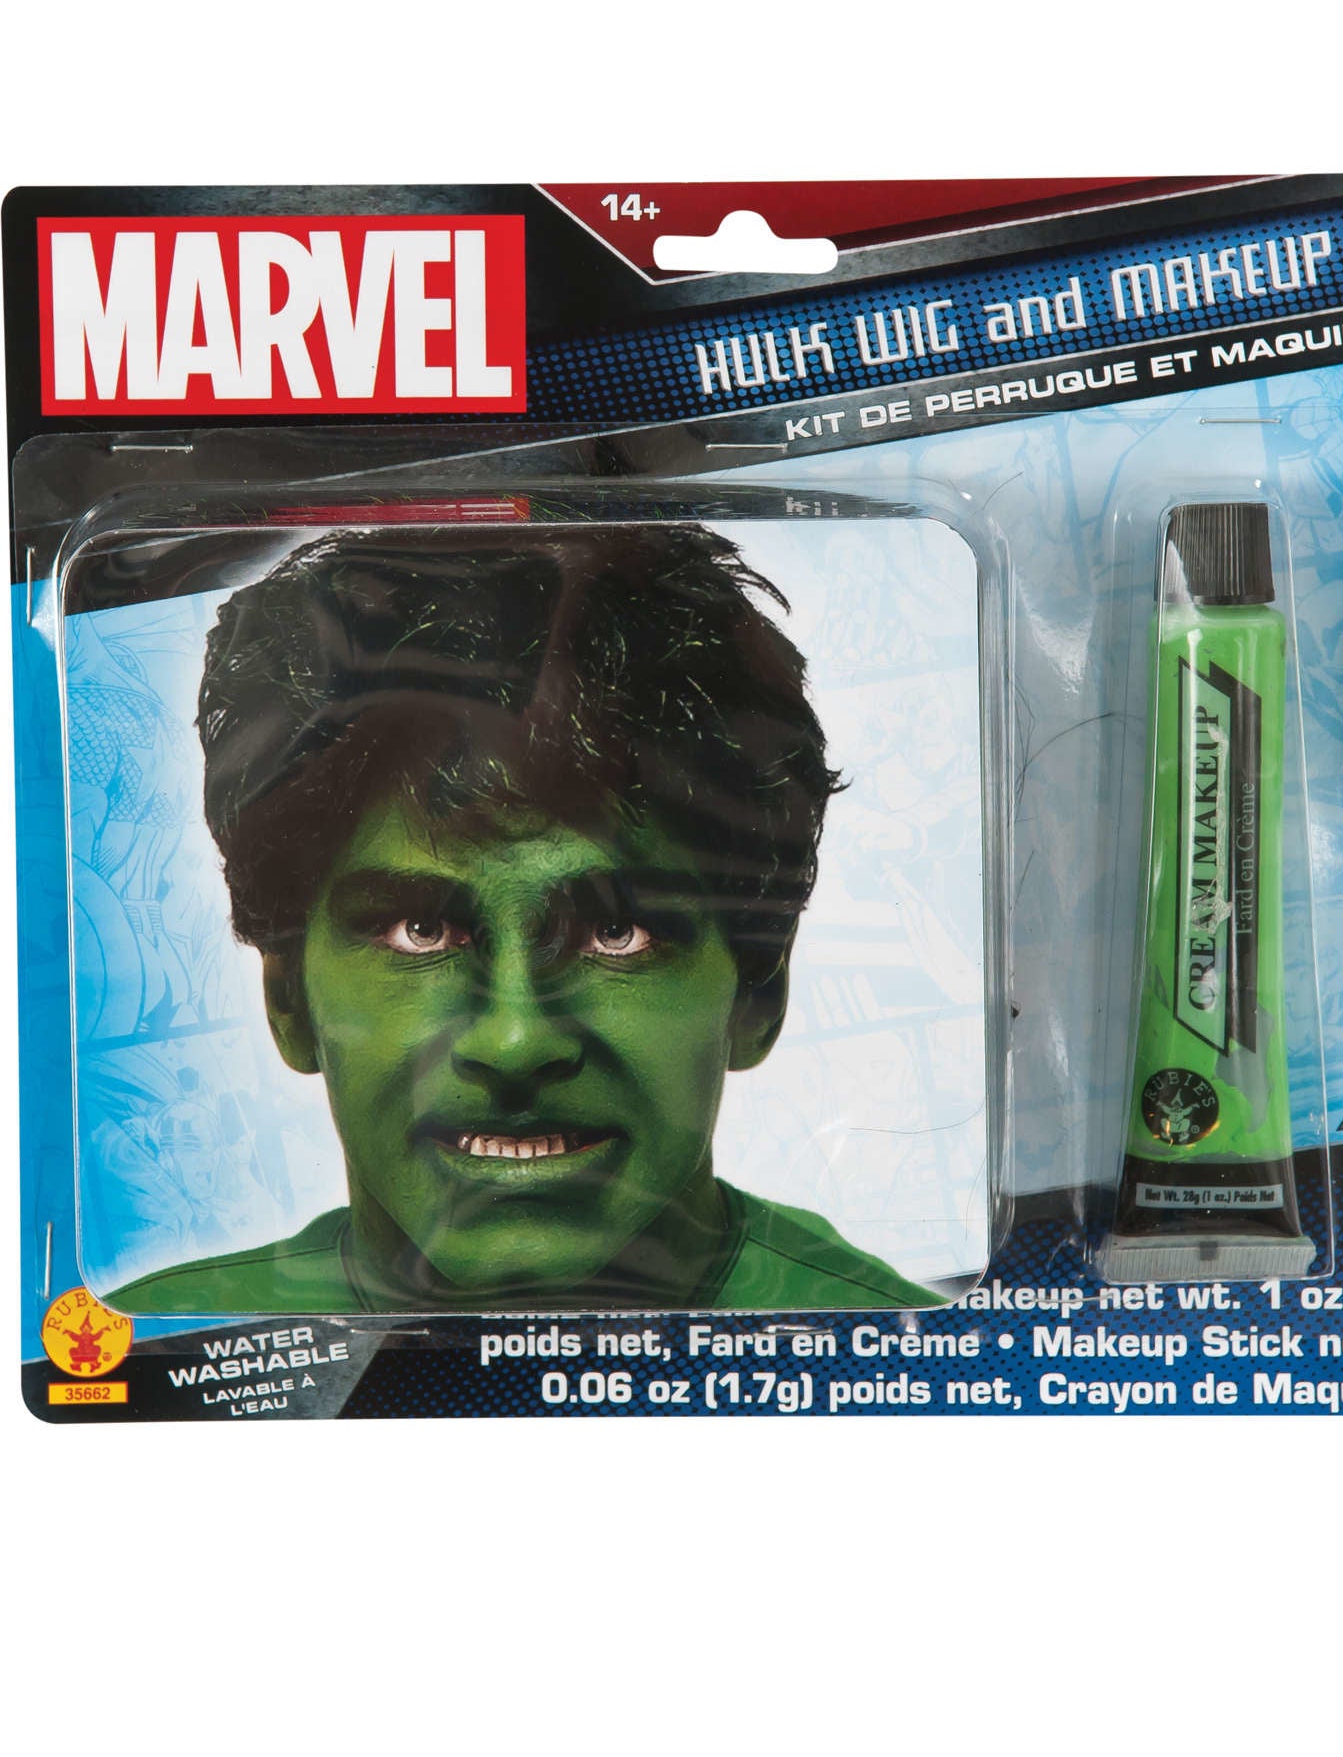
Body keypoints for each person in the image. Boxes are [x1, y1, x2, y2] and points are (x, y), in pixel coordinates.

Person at [111, 524, 938, 1315]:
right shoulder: (148, 1351)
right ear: (288, 1000)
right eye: (419, 932)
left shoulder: (908, 1360)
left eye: (617, 934)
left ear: (758, 994)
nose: (515, 1042)